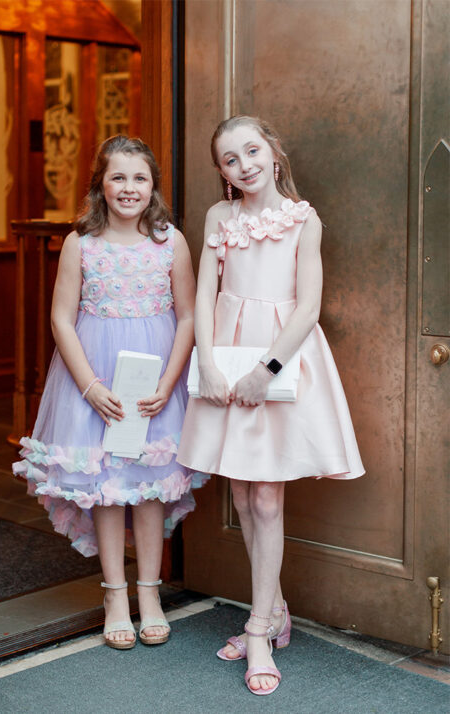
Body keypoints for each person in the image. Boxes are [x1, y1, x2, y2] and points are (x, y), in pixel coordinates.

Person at [177, 116, 364, 696]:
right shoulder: (218, 218)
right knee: (238, 489)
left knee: (265, 492)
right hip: (226, 356)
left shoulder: (303, 220)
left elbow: (308, 307)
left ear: (273, 152)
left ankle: (259, 628)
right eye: (230, 159)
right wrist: (208, 361)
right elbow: (205, 293)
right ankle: (274, 608)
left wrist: (267, 370)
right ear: (222, 172)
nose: (244, 165)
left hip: (280, 358)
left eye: (252, 151)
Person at [12, 136, 204, 650]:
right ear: (100, 182)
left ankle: (150, 592)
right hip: (94, 378)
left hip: (154, 382)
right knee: (106, 485)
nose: (128, 188)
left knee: (146, 485)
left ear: (153, 186)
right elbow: (61, 318)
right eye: (118, 177)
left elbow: (188, 315)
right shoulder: (81, 243)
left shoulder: (171, 241)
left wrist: (168, 383)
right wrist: (90, 386)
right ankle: (115, 593)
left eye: (139, 178)